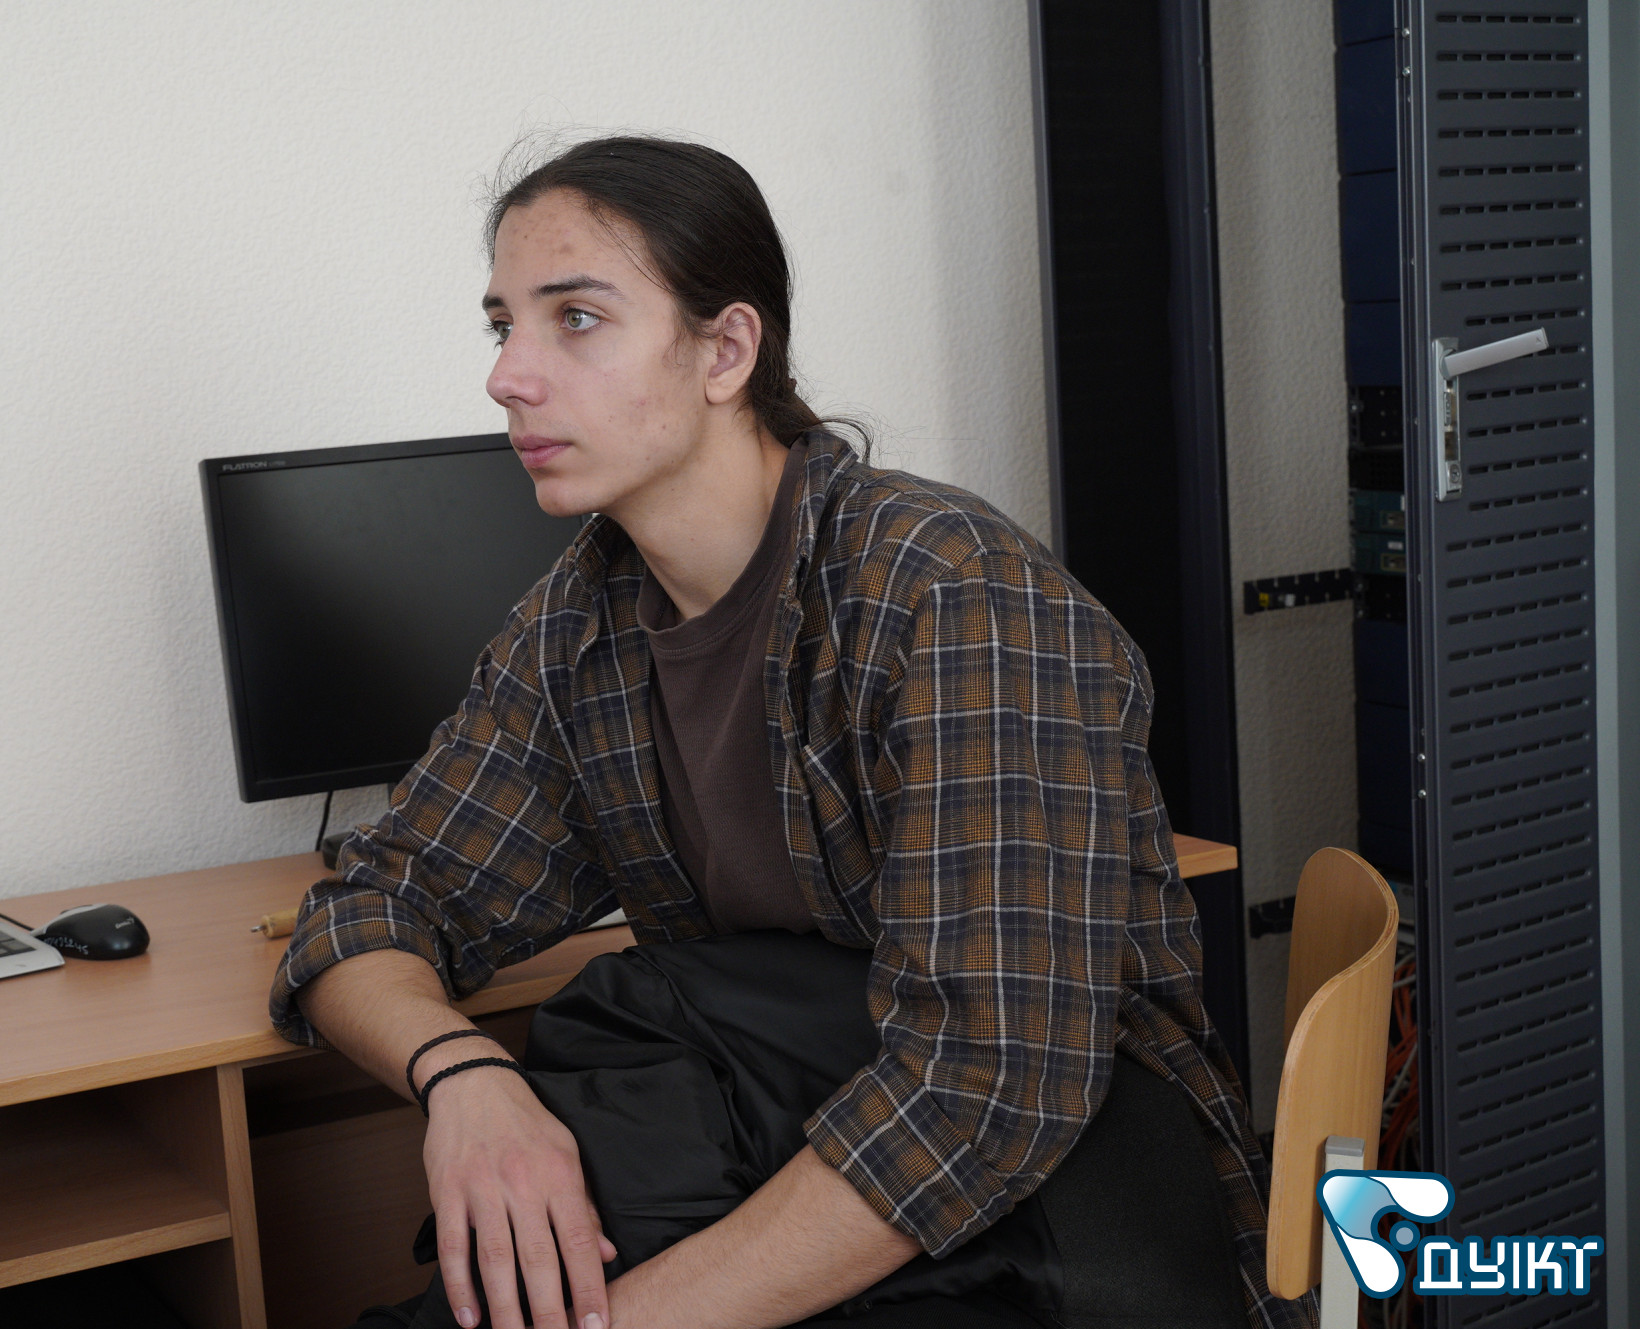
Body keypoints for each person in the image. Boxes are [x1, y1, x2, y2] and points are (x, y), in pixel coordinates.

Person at [270, 136, 1304, 1329]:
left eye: (576, 320)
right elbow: (373, 908)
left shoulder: (950, 594)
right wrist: (463, 1080)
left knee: (616, 1066)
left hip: (1076, 1209)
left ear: (724, 351)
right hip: (807, 1155)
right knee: (592, 1084)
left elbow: (986, 1088)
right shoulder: (578, 630)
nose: (508, 376)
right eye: (502, 325)